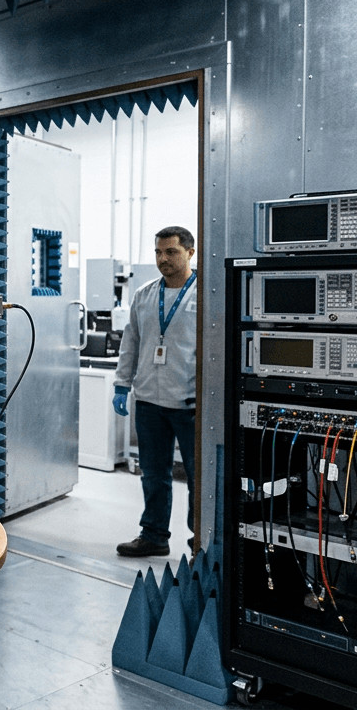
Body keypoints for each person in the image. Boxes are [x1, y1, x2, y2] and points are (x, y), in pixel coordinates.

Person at [112, 226, 198, 557]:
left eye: (171, 252)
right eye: (159, 253)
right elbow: (130, 342)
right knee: (153, 474)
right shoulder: (145, 295)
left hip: (190, 401)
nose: (163, 259)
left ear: (190, 252)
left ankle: (199, 543)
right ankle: (154, 535)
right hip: (148, 400)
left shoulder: (205, 294)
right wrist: (122, 384)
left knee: (197, 478)